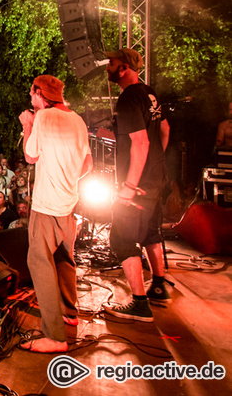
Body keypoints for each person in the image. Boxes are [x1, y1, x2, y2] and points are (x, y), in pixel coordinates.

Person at [19, 74, 92, 353]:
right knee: (64, 257)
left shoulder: (44, 118)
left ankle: (54, 336)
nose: (30, 97)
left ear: (40, 94)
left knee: (39, 262)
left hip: (46, 205)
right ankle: (69, 313)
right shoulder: (77, 119)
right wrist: (68, 180)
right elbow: (88, 162)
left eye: (32, 93)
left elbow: (30, 155)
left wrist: (29, 124)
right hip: (68, 204)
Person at [102, 48, 171, 322]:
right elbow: (164, 130)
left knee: (122, 237)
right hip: (156, 176)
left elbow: (140, 142)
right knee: (151, 232)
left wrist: (130, 184)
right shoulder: (149, 93)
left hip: (138, 184)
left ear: (124, 68)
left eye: (112, 63)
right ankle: (158, 285)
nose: (108, 67)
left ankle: (139, 303)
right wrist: (156, 161)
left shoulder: (129, 97)